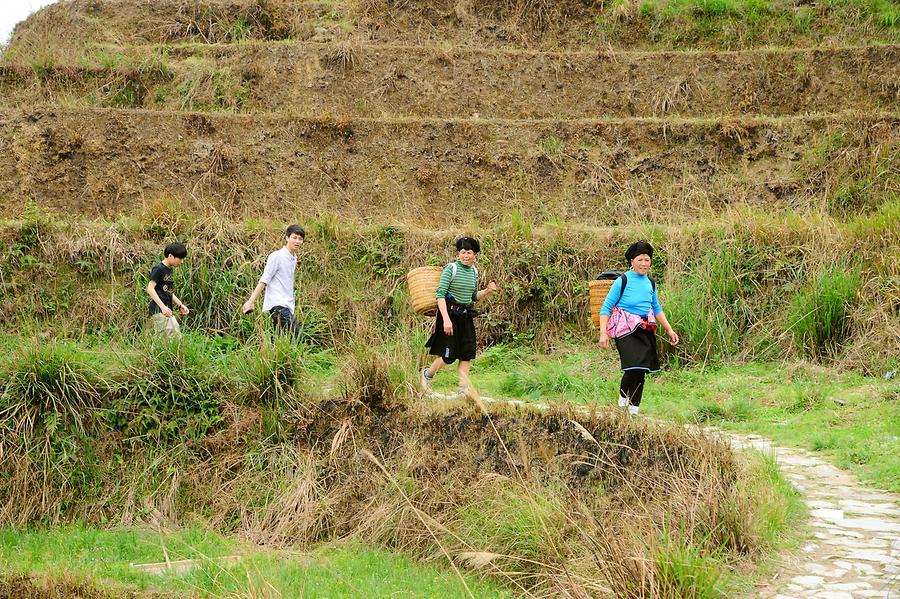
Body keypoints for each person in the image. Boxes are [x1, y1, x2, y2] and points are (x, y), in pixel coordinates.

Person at [597, 240, 679, 416]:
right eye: (640, 259)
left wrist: (669, 329)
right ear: (632, 261)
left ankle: (634, 410)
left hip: (644, 328)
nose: (644, 263)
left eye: (647, 260)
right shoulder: (622, 281)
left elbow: (656, 308)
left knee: (642, 370)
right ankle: (622, 401)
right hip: (624, 329)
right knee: (633, 366)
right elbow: (605, 308)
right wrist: (603, 333)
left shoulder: (651, 283)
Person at [421, 236, 498, 397]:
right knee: (448, 355)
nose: (465, 256)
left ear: (475, 254)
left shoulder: (474, 272)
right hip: (448, 315)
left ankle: (463, 390)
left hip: (465, 315)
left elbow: (472, 297)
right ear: (459, 253)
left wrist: (487, 291)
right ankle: (427, 375)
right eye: (463, 252)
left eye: (469, 252)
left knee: (466, 353)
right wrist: (446, 320)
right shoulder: (451, 269)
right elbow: (440, 295)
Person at [242, 224, 306, 338]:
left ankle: (272, 355)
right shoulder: (277, 256)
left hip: (287, 305)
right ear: (287, 238)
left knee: (279, 339)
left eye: (300, 239)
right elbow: (264, 279)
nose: (297, 241)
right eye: (294, 237)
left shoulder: (293, 257)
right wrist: (250, 301)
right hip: (278, 304)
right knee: (298, 336)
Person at [146, 242, 189, 338]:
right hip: (158, 309)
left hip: (167, 309)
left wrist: (180, 305)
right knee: (165, 336)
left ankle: (175, 353)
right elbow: (150, 288)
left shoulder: (169, 270)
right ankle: (155, 353)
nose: (182, 262)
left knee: (176, 332)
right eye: (180, 258)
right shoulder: (159, 269)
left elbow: (169, 292)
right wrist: (162, 307)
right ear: (170, 256)